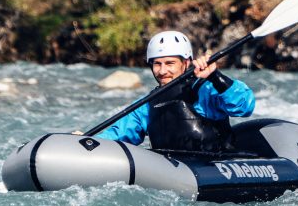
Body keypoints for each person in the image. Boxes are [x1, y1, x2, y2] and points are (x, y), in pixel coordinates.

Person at [96, 30, 255, 153]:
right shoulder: (148, 103)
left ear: (186, 63)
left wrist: (215, 77)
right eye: (157, 64)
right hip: (173, 171)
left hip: (214, 164)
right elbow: (119, 133)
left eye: (170, 63)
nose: (162, 71)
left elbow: (244, 107)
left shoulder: (204, 89)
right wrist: (88, 142)